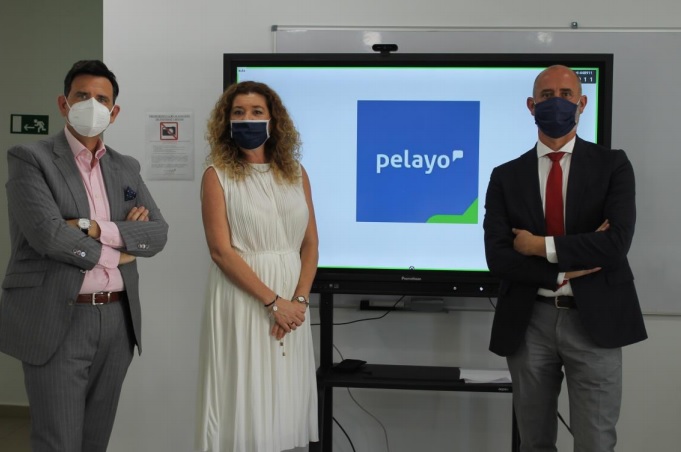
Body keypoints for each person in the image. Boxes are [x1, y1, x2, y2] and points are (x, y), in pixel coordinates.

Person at [0, 60, 169, 451]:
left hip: (117, 320)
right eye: (82, 96)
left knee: (95, 441)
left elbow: (157, 234)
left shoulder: (126, 168)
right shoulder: (31, 159)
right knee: (58, 441)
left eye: (102, 99)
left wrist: (92, 228)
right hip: (58, 317)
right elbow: (48, 235)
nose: (92, 105)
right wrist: (118, 252)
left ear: (114, 111)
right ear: (64, 103)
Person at [483, 65, 647, 452]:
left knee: (596, 442)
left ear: (582, 103)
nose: (556, 102)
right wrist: (565, 267)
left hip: (596, 320)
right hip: (529, 321)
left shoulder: (614, 166)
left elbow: (615, 245)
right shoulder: (506, 176)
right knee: (534, 442)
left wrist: (539, 246)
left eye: (566, 94)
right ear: (531, 105)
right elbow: (499, 258)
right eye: (546, 95)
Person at [195, 81, 319, 452]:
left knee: (282, 395)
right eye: (238, 112)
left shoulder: (296, 173)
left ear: (273, 120)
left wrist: (298, 302)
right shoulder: (216, 175)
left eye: (256, 112)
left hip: (292, 305)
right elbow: (221, 251)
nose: (246, 118)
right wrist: (273, 302)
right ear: (226, 122)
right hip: (244, 298)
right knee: (244, 395)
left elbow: (310, 244)